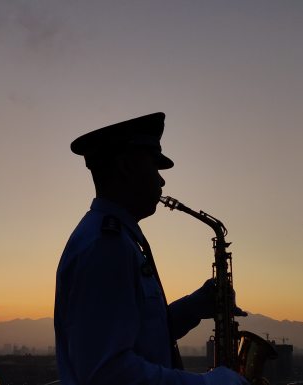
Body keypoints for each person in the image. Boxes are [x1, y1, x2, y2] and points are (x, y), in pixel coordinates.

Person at [54, 112, 249, 385]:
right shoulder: (105, 246)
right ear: (125, 167)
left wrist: (193, 307)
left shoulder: (117, 239)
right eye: (154, 167)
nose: (162, 181)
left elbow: (138, 338)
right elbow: (106, 373)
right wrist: (209, 383)